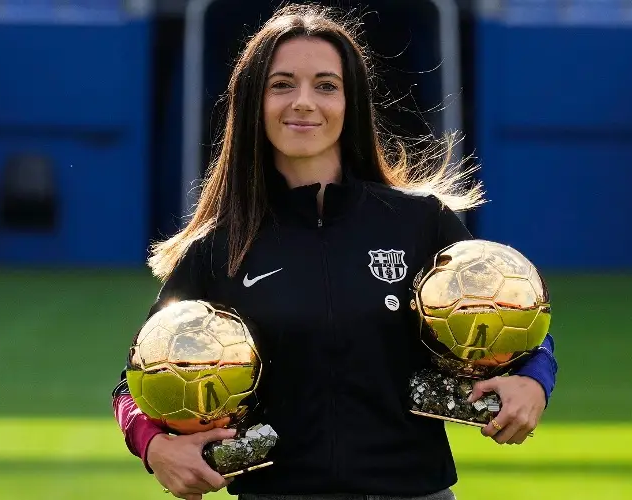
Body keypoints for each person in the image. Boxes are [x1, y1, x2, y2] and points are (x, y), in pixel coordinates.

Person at [111, 4, 558, 500]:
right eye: (282, 85)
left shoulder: (421, 222)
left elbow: (523, 332)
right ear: (253, 102)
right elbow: (132, 387)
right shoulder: (219, 247)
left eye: (326, 85)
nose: (304, 102)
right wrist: (156, 447)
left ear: (351, 104)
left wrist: (533, 382)